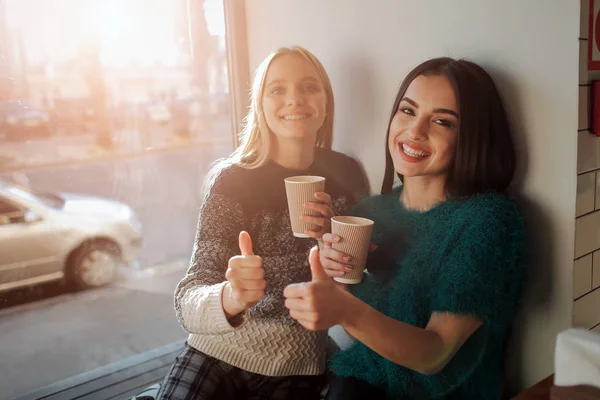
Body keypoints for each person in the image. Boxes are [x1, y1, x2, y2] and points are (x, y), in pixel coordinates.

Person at [283, 57, 526, 399]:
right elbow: (363, 333)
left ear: (472, 137)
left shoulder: (489, 221)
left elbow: (435, 353)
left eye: (441, 121)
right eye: (408, 111)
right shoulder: (369, 213)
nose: (415, 131)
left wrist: (344, 309)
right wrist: (332, 278)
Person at [157, 46, 369, 400]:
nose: (294, 100)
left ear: (326, 102)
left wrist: (329, 242)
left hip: (299, 361)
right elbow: (188, 299)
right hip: (217, 351)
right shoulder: (234, 181)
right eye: (277, 89)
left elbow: (351, 287)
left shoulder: (345, 174)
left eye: (308, 87)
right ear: (260, 104)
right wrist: (230, 296)